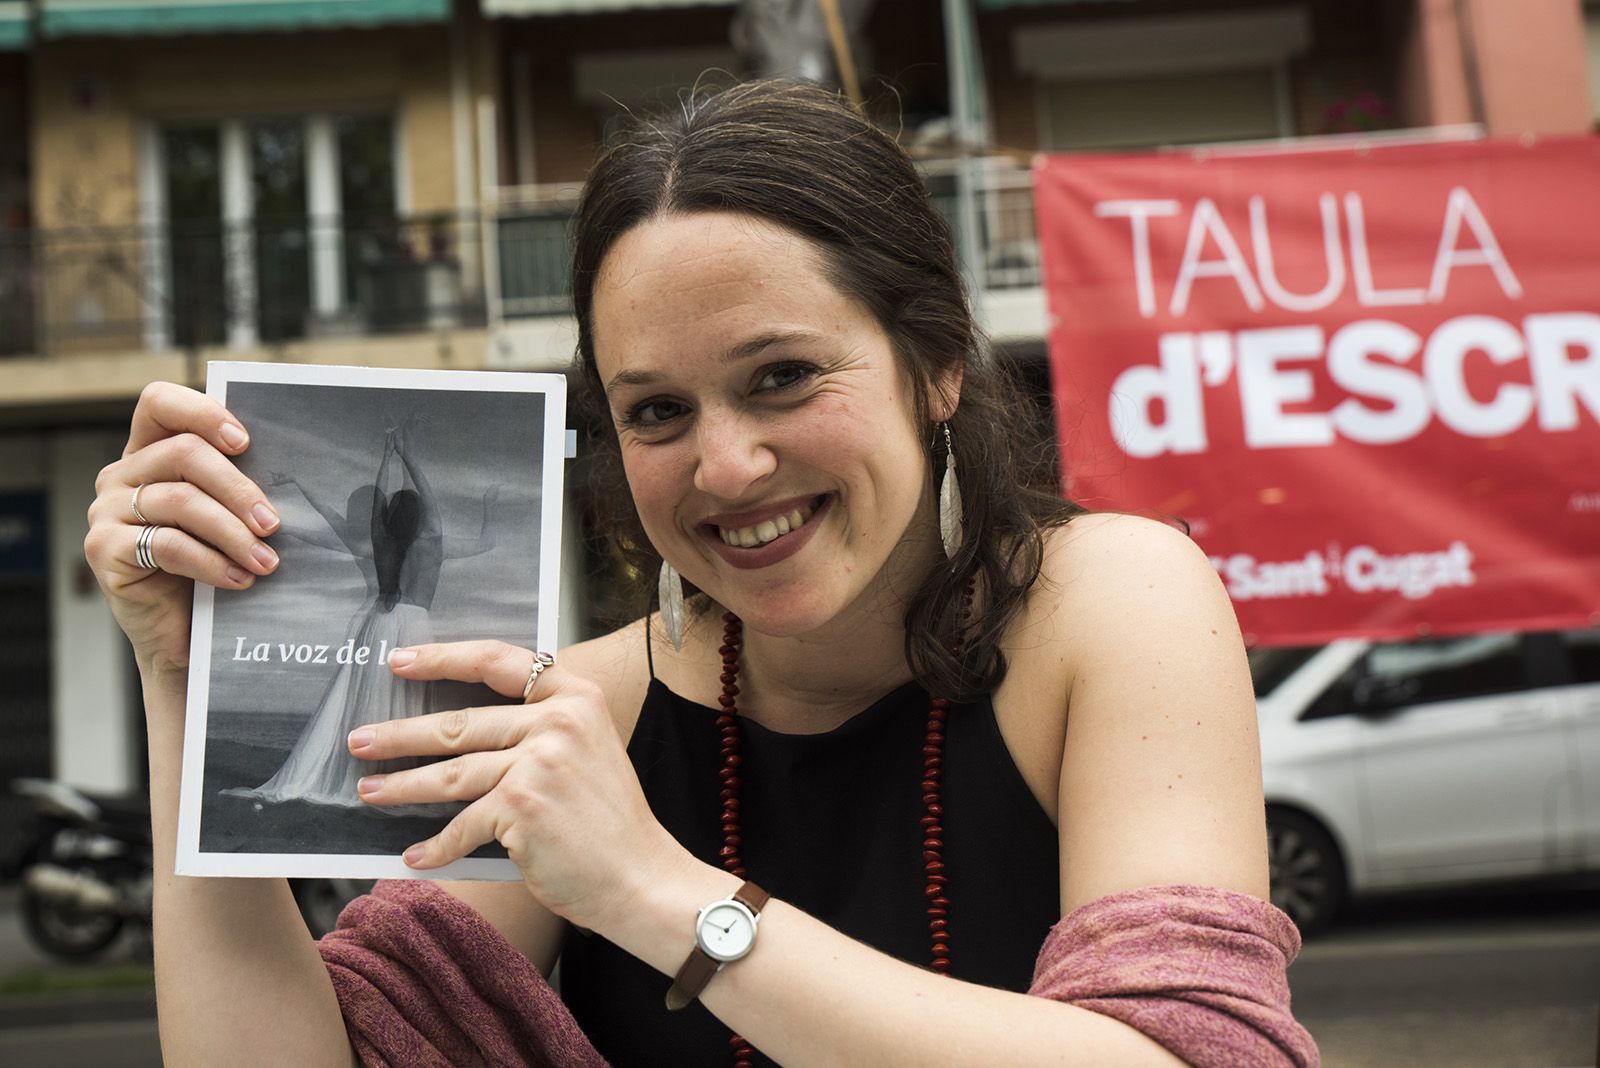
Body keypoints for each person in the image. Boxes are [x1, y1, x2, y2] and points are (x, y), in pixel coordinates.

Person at [84, 80, 1317, 1067]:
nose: (726, 467)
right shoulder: (579, 709)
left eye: (782, 376)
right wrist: (180, 679)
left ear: (937, 364)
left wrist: (655, 893)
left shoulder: (1111, 601)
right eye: (658, 410)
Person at [223, 421, 497, 811]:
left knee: (362, 699)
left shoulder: (376, 542)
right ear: (420, 517)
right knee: (408, 699)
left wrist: (382, 459)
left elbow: (344, 518)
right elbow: (461, 524)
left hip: (378, 623)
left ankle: (361, 772)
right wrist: (408, 457)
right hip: (414, 623)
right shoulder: (433, 542)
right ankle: (400, 777)